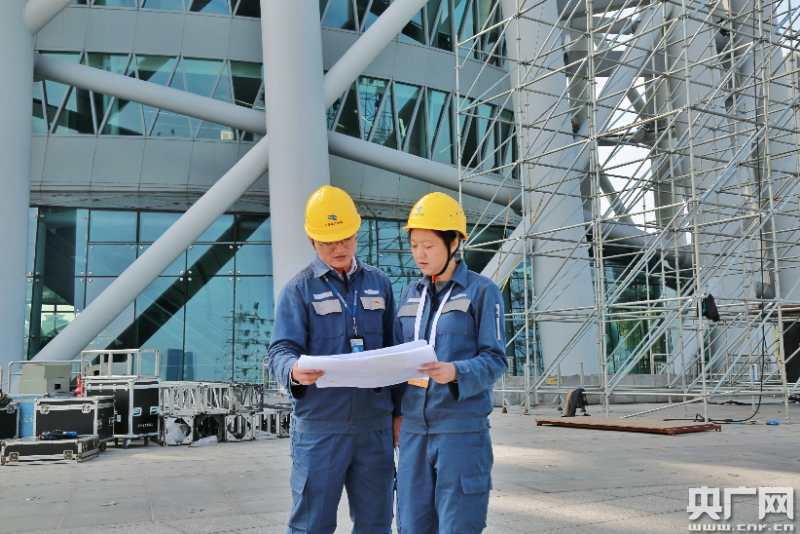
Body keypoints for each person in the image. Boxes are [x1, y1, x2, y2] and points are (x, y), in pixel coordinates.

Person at [267, 185, 401, 534]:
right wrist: (293, 370)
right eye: (328, 242)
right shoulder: (298, 291)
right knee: (312, 525)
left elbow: (395, 350)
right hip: (320, 427)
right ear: (312, 241)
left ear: (356, 233)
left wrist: (400, 413)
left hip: (374, 426)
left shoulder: (380, 284)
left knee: (376, 523)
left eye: (345, 239)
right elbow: (280, 350)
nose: (339, 248)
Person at [394, 192, 507, 534]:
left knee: (458, 526)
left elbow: (495, 359)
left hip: (460, 431)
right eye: (415, 245)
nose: (420, 254)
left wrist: (455, 372)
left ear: (454, 242)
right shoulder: (410, 294)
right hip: (414, 432)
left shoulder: (482, 292)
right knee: (412, 526)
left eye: (429, 245)